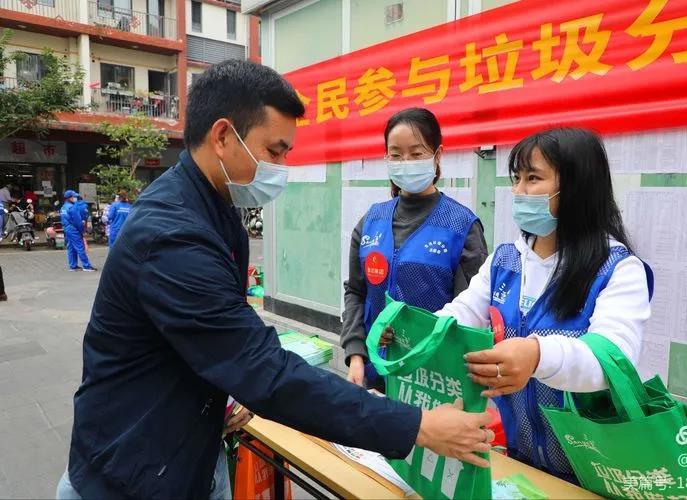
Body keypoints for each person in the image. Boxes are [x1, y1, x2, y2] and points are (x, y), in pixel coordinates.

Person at [56, 60, 493, 500]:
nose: (283, 167)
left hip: (185, 450)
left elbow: (213, 334)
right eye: (275, 150)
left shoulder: (215, 208)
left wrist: (225, 392)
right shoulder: (173, 235)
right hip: (131, 475)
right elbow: (262, 368)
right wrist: (415, 426)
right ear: (223, 137)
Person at [420, 128, 654, 482]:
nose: (518, 191)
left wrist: (537, 354)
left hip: (592, 468)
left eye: (533, 178)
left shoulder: (616, 269)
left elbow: (611, 358)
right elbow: (460, 314)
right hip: (519, 457)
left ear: (577, 187)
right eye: (516, 179)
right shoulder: (505, 261)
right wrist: (411, 331)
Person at [342, 107, 488, 392]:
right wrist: (356, 355)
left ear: (437, 155)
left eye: (416, 153)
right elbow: (356, 293)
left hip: (433, 379)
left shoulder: (461, 226)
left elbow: (473, 312)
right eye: (396, 155)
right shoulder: (371, 221)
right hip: (374, 371)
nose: (405, 162)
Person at [60, 190, 96, 272]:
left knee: (71, 247)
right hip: (74, 229)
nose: (75, 198)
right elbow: (77, 221)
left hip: (67, 228)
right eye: (74, 197)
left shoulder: (63, 207)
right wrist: (82, 230)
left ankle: (73, 266)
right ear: (69, 198)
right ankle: (87, 266)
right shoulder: (72, 208)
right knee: (80, 247)